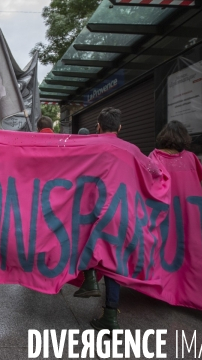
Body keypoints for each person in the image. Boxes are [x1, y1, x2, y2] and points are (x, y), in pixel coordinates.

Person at [73, 107, 123, 331]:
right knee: (114, 263)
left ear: (98, 127)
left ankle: (90, 278)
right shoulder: (131, 151)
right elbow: (152, 171)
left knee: (81, 238)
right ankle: (110, 316)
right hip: (121, 213)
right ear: (120, 128)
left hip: (91, 209)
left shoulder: (89, 146)